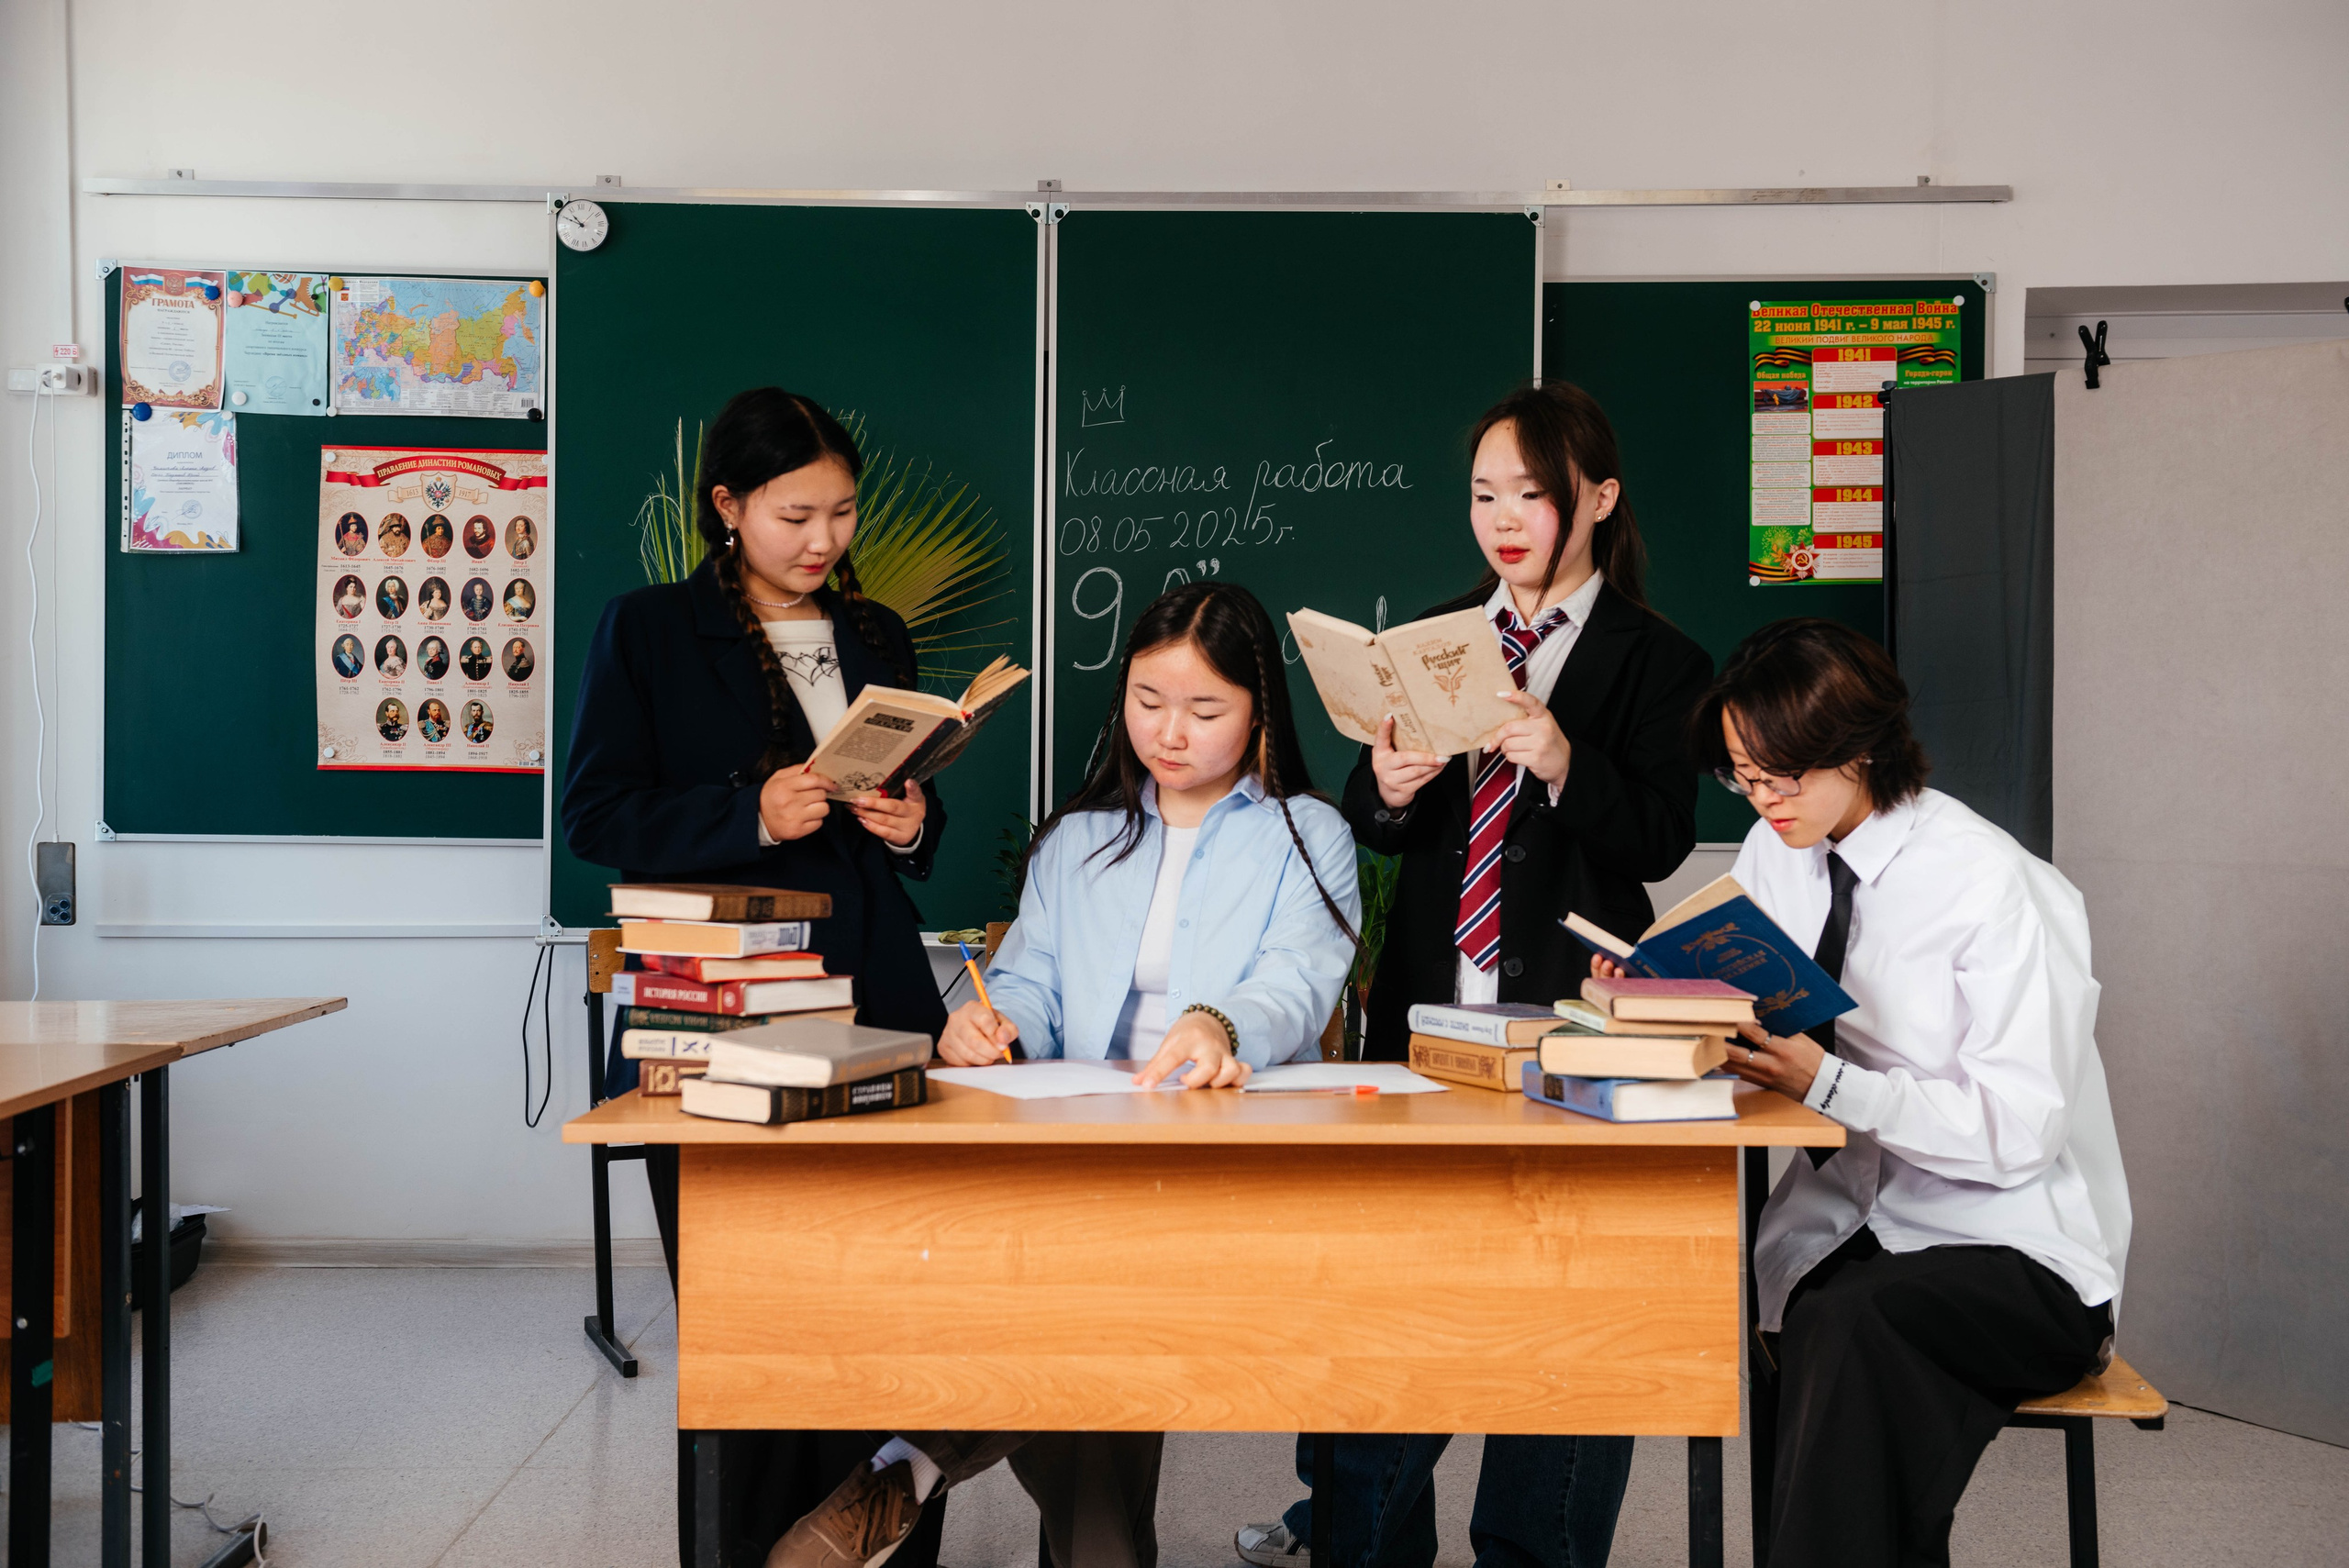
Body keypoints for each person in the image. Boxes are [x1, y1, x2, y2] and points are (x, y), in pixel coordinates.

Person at [766, 580, 1359, 1568]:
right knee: (1095, 1327)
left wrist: (1218, 1024)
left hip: (1221, 1152)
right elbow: (1030, 983)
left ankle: (908, 1462)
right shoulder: (1078, 836)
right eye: (1146, 701)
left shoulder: (1308, 832)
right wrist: (983, 1024)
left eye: (1205, 710)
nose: (1169, 733)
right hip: (1080, 1140)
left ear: (1259, 713)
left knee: (1089, 1302)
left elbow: (1295, 979)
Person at [1236, 383, 1711, 1568]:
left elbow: (1656, 839)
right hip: (1427, 1012)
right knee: (1396, 1292)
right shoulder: (1438, 636)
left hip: (1570, 1016)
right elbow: (1381, 824)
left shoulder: (1661, 659)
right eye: (1484, 493)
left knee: (1564, 1313)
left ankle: (1536, 1552)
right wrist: (1383, 791)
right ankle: (1366, 1541)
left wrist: (1563, 760)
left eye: (1533, 494)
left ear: (1598, 498)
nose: (1504, 517)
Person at [562, 386, 953, 1568]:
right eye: (794, 515)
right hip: (721, 1007)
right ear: (727, 505)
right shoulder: (645, 628)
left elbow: (915, 832)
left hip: (877, 997)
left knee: (891, 1303)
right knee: (748, 1313)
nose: (822, 541)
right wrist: (752, 813)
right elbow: (595, 811)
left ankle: (881, 1537)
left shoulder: (875, 633)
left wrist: (909, 822)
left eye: (840, 512)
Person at [1656, 618, 2128, 1567]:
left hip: (2013, 1246)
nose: (1761, 798)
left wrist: (1828, 1081)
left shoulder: (1992, 883)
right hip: (1850, 1223)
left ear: (1859, 749)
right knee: (1788, 1307)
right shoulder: (1773, 848)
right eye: (1741, 772)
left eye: (1780, 773)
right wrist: (1656, 1003)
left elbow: (2016, 1132)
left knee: (1851, 1326)